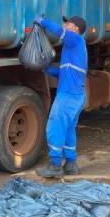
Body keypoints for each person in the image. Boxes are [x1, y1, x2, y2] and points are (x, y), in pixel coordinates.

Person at [35, 15, 88, 178]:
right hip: (76, 96)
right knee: (68, 129)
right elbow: (63, 72)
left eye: (68, 23)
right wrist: (45, 69)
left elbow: (59, 31)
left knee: (55, 127)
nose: (64, 25)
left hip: (69, 96)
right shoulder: (72, 48)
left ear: (76, 28)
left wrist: (42, 22)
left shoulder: (76, 40)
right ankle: (71, 165)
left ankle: (55, 166)